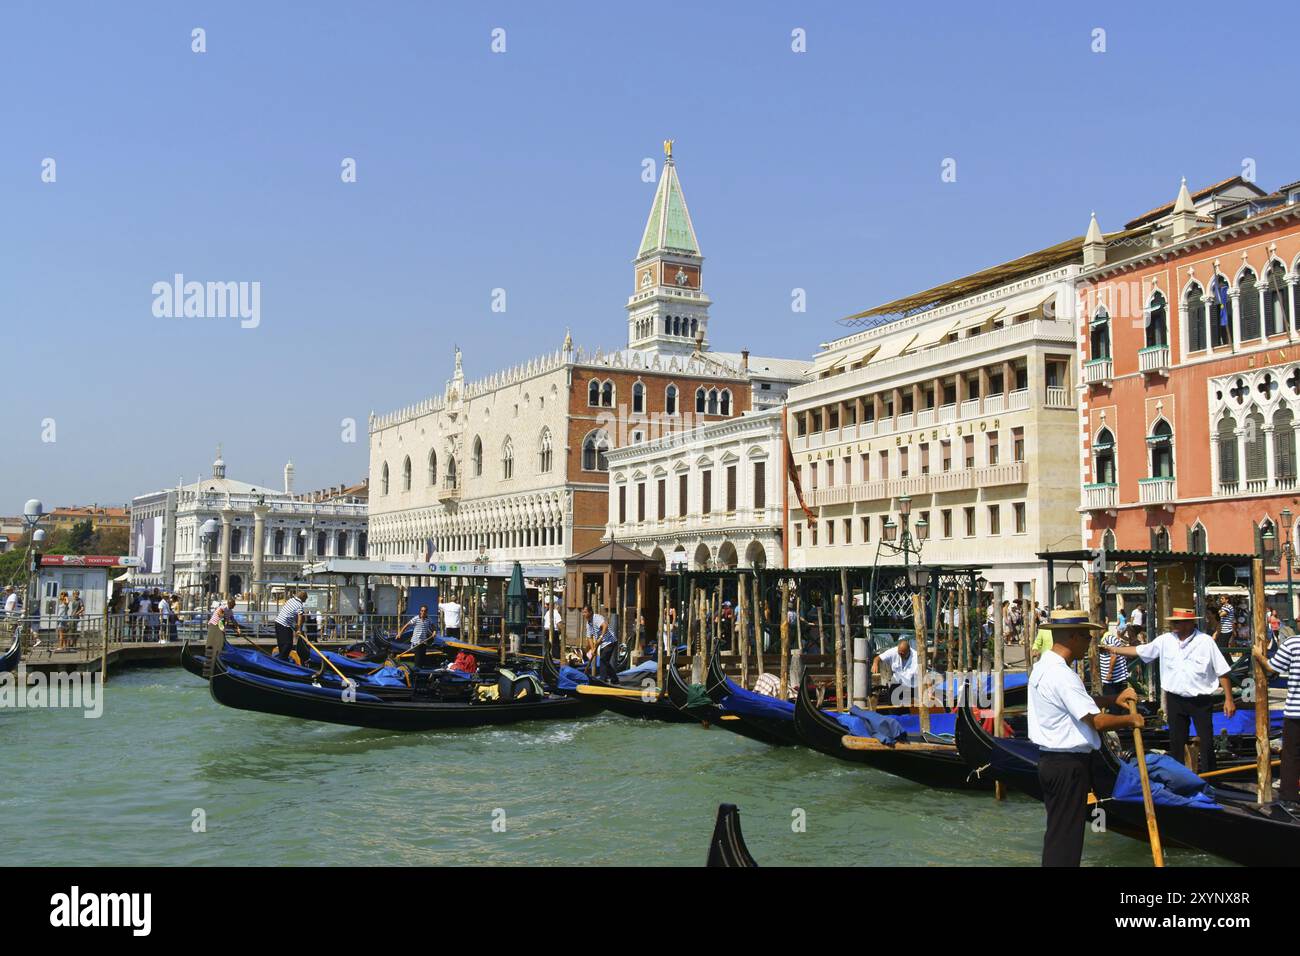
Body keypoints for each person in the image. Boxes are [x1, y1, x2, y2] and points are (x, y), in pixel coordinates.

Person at [1028, 608, 1143, 867]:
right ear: (1073, 637)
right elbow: (1098, 721)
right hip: (1068, 765)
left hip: (1051, 761)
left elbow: (1075, 704)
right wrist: (1130, 720)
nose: (1090, 643)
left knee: (1059, 834)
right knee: (1066, 838)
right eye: (1087, 638)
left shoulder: (1042, 667)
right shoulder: (1063, 675)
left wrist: (1113, 699)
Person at [1106, 607, 1234, 773]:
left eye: (1177, 622)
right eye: (1173, 621)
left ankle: (1211, 778)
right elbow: (1140, 651)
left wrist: (1229, 699)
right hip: (1175, 699)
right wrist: (1114, 650)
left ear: (1189, 623)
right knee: (1176, 741)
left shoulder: (1205, 641)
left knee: (1207, 741)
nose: (1173, 625)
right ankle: (1179, 777)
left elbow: (1222, 671)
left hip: (1200, 700)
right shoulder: (1165, 640)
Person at [1254, 628, 1300, 805]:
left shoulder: (1293, 643)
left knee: (1291, 755)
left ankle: (1290, 797)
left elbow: (1272, 667)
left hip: (1296, 711)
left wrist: (1258, 655)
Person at [873, 636, 919, 708]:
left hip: (911, 684)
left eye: (902, 653)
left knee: (910, 703)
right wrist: (875, 663)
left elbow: (923, 673)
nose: (900, 654)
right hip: (897, 682)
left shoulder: (916, 657)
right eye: (899, 652)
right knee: (891, 699)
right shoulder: (893, 651)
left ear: (908, 651)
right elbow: (878, 658)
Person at [1098, 620, 1131, 700]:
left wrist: (1109, 673)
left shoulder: (1109, 639)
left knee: (1112, 699)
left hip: (1113, 678)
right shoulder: (1107, 638)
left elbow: (1113, 656)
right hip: (1113, 676)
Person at [583, 605, 616, 681]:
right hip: (602, 644)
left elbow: (605, 625)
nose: (583, 614)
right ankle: (614, 679)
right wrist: (592, 649)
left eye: (585, 612)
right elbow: (589, 637)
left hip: (610, 641)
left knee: (603, 660)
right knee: (604, 661)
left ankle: (603, 679)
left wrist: (601, 637)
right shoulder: (588, 623)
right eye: (583, 612)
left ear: (590, 612)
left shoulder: (597, 618)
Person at [274, 590, 307, 660]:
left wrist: (295, 627)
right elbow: (300, 618)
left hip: (278, 622)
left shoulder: (291, 600)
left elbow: (291, 613)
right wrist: (298, 629)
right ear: (303, 598)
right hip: (284, 624)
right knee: (288, 644)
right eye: (306, 599)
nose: (306, 600)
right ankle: (282, 659)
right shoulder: (299, 605)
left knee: (281, 643)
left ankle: (281, 658)